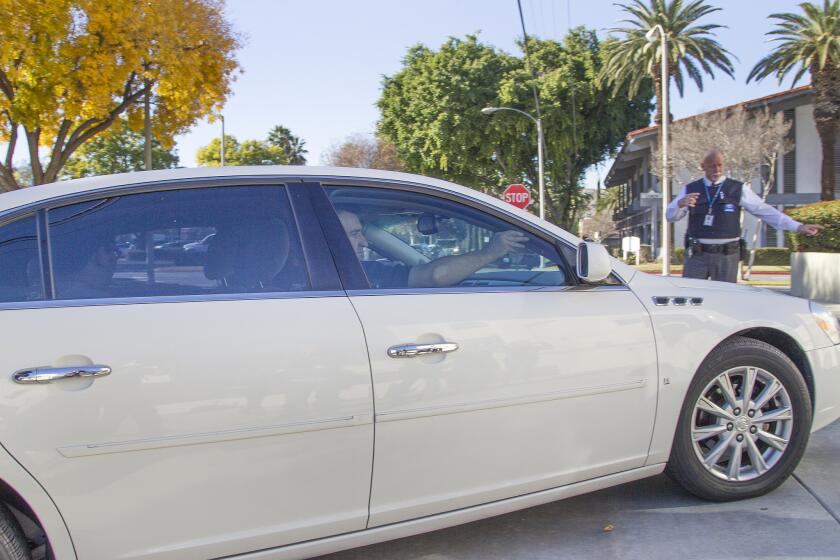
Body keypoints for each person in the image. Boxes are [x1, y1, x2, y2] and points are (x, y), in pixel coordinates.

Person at [666, 149, 823, 282]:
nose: (717, 169)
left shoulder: (736, 189)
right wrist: (680, 204)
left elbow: (764, 210)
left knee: (725, 301)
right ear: (703, 167)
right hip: (697, 256)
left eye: (720, 165)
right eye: (712, 166)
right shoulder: (691, 189)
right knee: (693, 297)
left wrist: (798, 226)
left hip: (726, 256)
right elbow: (670, 216)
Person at [337, 209, 528, 288]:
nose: (365, 242)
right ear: (332, 239)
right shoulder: (368, 274)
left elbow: (436, 273)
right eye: (355, 234)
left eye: (362, 233)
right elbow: (436, 276)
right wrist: (491, 252)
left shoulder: (364, 272)